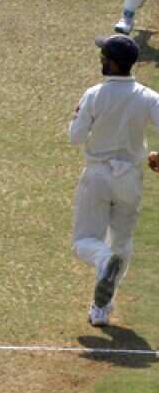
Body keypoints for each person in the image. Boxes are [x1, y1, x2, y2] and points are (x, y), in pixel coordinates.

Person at [68, 34, 159, 327]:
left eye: (103, 56)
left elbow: (75, 137)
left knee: (85, 241)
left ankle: (104, 264)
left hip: (97, 175)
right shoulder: (148, 97)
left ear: (111, 62)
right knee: (122, 242)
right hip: (129, 179)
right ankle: (101, 308)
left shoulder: (94, 94)